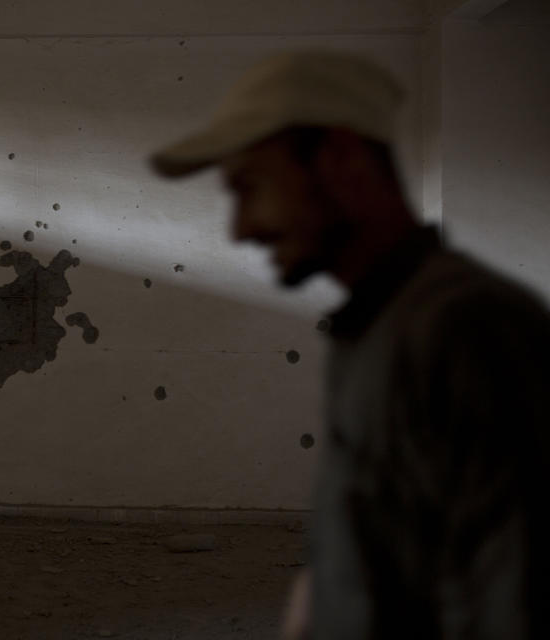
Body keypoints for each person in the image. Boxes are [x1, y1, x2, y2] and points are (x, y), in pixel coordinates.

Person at [150, 49, 550, 639]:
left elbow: (513, 599)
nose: (241, 228)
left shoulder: (470, 328)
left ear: (340, 159)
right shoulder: (376, 321)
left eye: (251, 186)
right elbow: (373, 531)